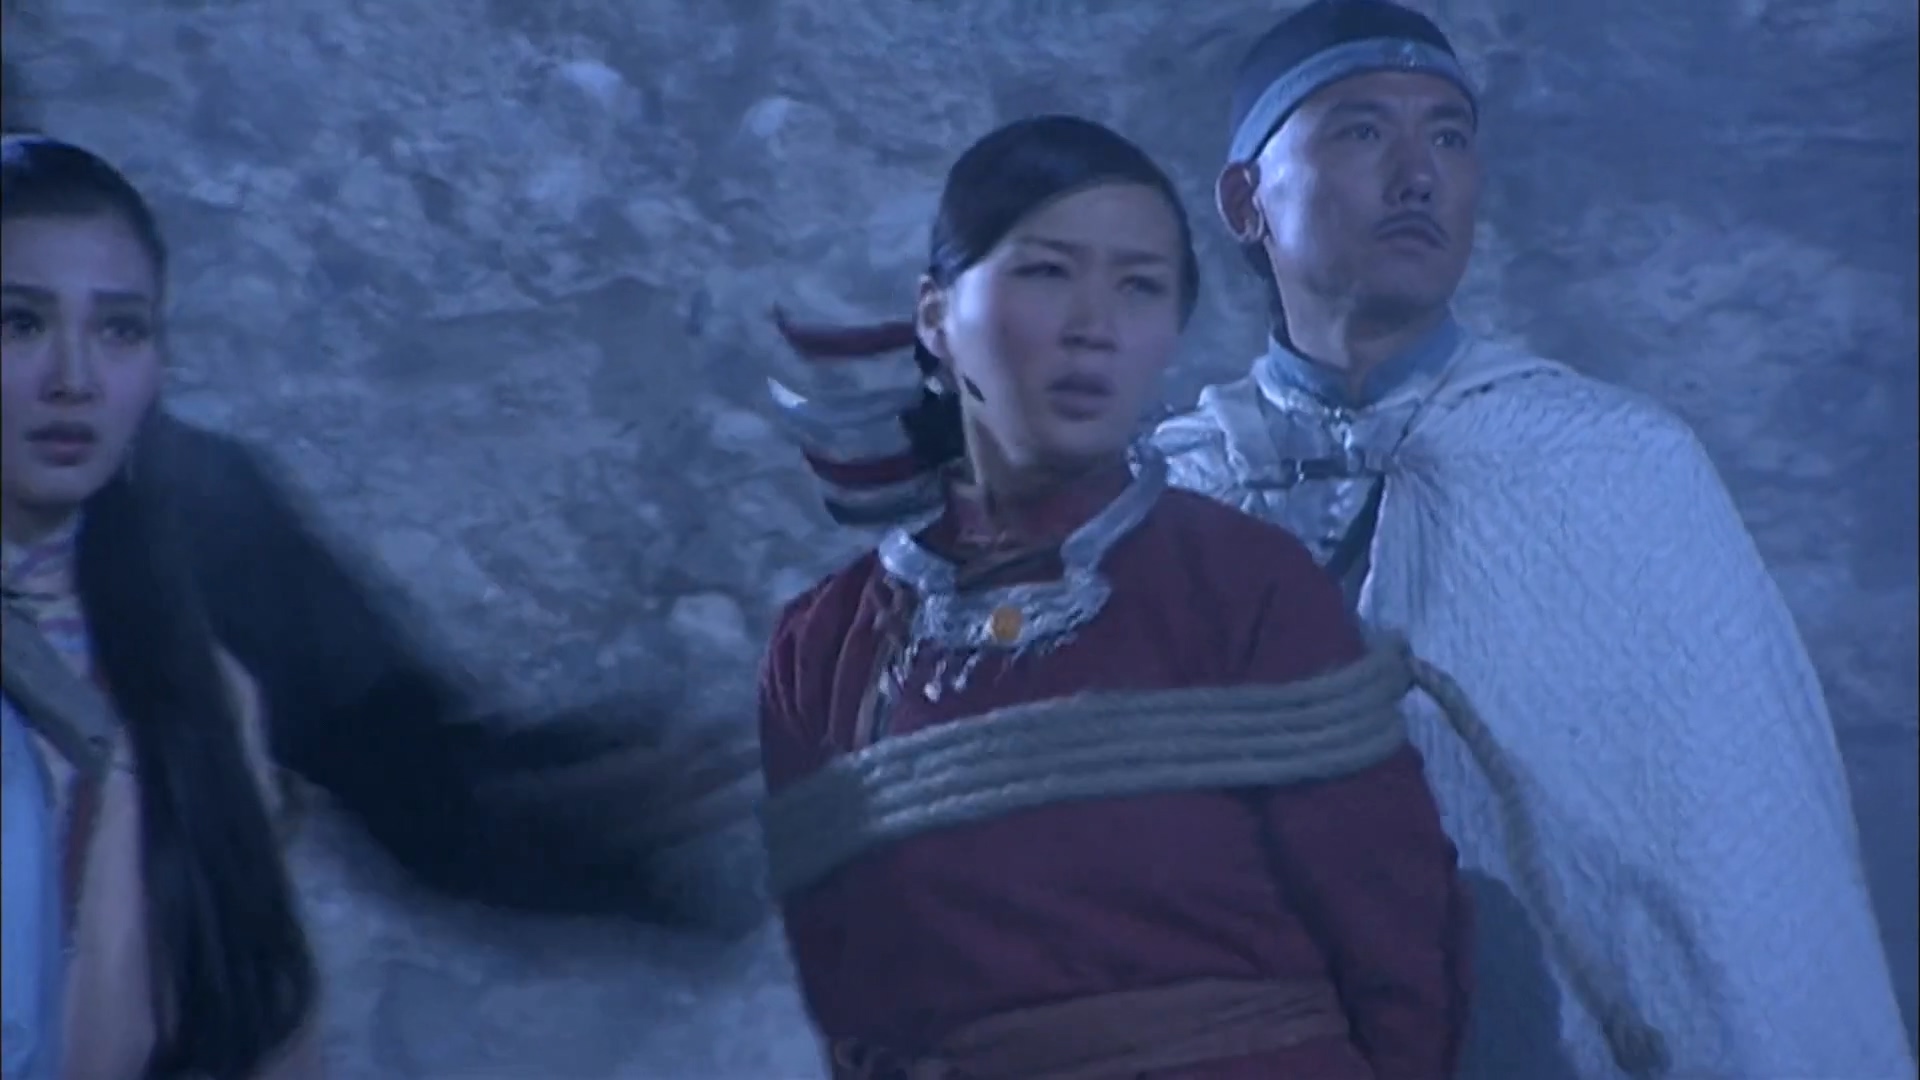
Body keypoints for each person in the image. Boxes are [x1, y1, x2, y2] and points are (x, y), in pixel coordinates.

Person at [766, 2, 1915, 1077]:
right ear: (1246, 202)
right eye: (1362, 131)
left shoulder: (1614, 472)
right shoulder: (1167, 497)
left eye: (1450, 138)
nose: (1419, 175)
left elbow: (1746, 877)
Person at [0, 133, 758, 1080]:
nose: (72, 375)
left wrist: (564, 814)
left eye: (118, 328)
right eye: (20, 322)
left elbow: (413, 782)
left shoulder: (184, 521)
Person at [757, 113, 1477, 1079]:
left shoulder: (1245, 589)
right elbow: (847, 989)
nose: (1093, 326)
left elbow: (1397, 939)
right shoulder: (826, 648)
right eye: (1047, 272)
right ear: (936, 316)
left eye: (1139, 286)